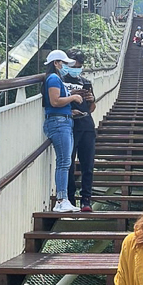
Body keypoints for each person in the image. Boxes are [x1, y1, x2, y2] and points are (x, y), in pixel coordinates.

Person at [42, 49, 84, 213]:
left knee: (65, 162)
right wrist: (73, 98)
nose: (66, 66)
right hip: (59, 123)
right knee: (64, 162)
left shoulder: (55, 78)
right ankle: (61, 200)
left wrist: (70, 110)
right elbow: (55, 101)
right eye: (64, 63)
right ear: (56, 63)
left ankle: (63, 199)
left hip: (63, 121)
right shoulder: (53, 78)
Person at [62, 48, 96, 213]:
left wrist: (91, 100)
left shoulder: (85, 81)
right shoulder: (58, 81)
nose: (77, 68)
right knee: (68, 164)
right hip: (69, 126)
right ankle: (69, 198)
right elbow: (54, 102)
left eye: (80, 65)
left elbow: (92, 108)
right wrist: (71, 95)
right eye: (75, 64)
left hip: (87, 125)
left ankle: (86, 200)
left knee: (87, 165)